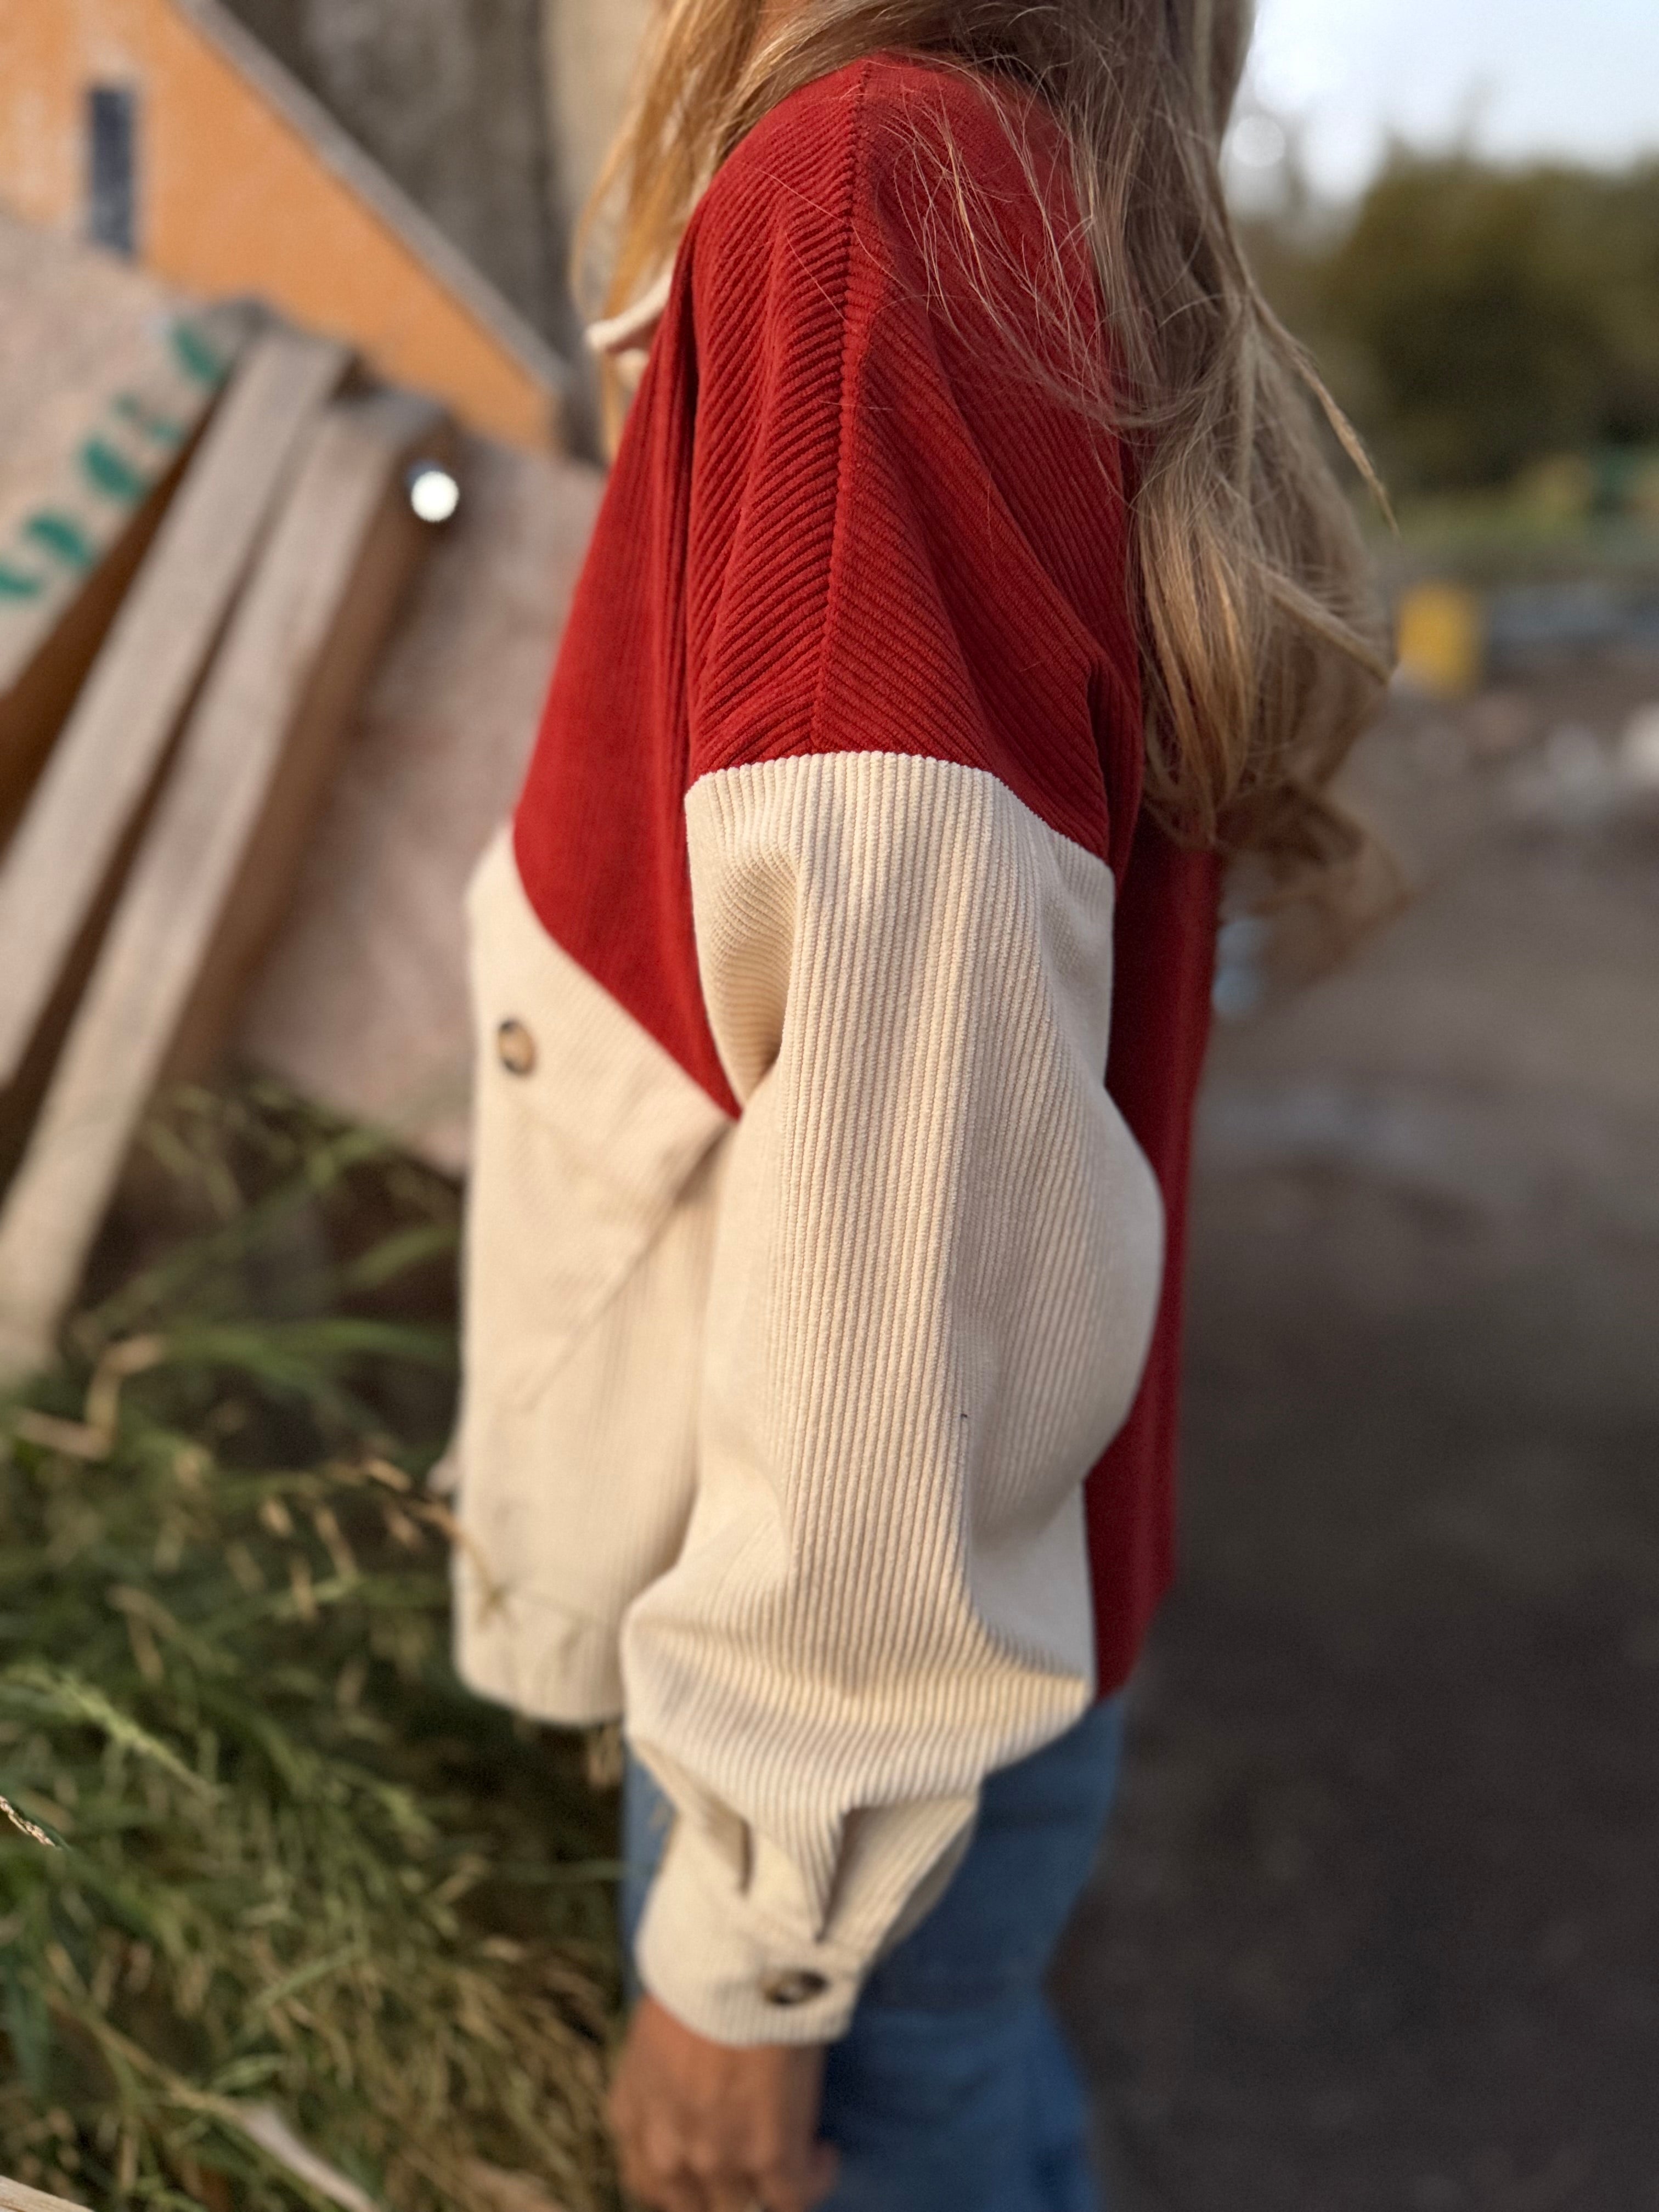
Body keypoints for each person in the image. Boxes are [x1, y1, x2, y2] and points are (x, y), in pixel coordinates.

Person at [452, 2, 1388, 2206]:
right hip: (971, 1637)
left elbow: (909, 1166)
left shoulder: (880, 205)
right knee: (983, 2096)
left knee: (917, 2118)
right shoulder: (1038, 217)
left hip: (847, 1682)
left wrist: (756, 1938)